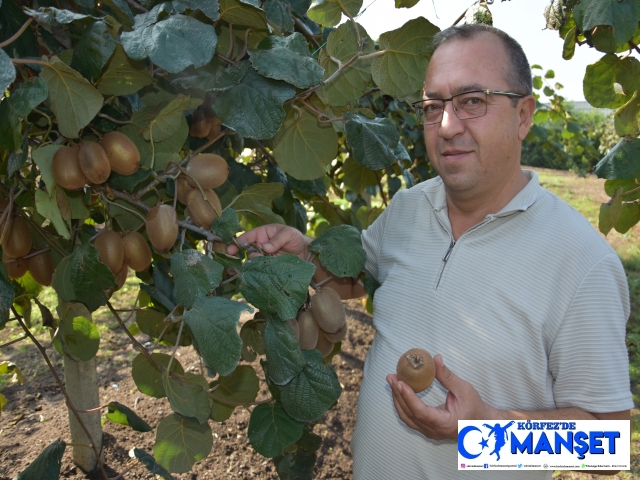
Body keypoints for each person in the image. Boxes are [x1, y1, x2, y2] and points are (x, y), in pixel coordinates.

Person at [228, 24, 633, 479]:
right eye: (432, 106)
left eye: (472, 101)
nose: (446, 126)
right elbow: (356, 278)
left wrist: (485, 434)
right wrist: (304, 256)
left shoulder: (582, 263)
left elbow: (605, 447)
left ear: (523, 116)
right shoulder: (409, 207)